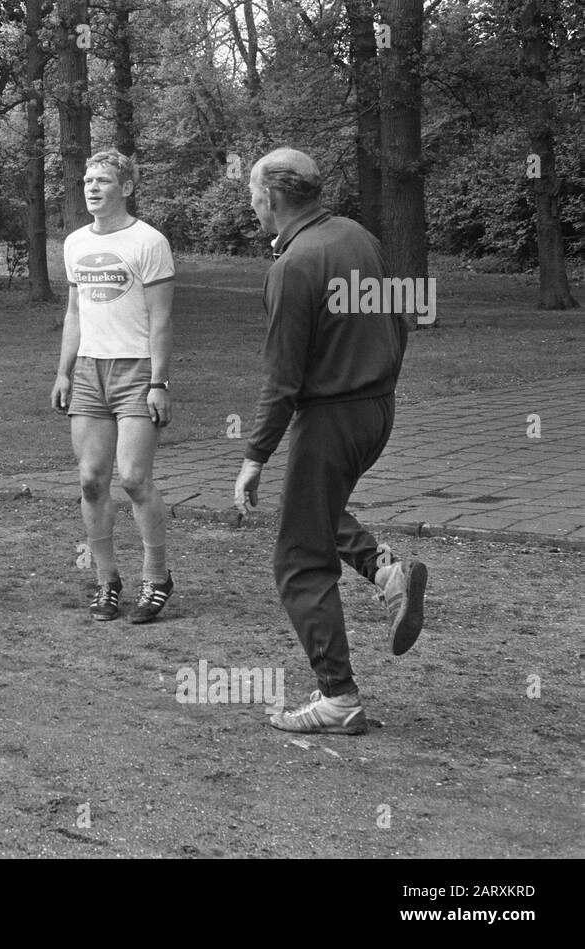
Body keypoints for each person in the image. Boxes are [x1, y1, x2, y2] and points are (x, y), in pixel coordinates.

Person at [233, 147, 428, 735]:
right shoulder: (357, 237)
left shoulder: (293, 267)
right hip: (376, 410)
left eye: (251, 192)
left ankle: (337, 696)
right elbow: (401, 316)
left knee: (298, 558)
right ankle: (386, 570)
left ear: (272, 198)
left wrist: (254, 456)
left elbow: (281, 379)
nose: (250, 202)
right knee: (313, 508)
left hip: (332, 417)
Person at [50, 149, 176, 623]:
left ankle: (156, 578)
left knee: (135, 479)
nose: (92, 187)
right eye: (87, 180)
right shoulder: (75, 243)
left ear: (126, 187)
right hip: (88, 371)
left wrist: (159, 381)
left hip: (137, 371)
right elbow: (74, 312)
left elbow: (162, 319)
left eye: (103, 180)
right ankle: (106, 582)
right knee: (90, 479)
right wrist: (64, 371)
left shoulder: (149, 241)